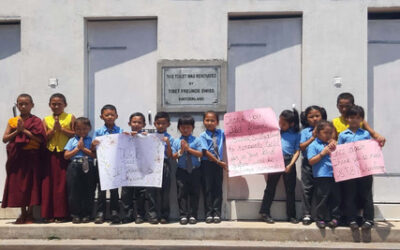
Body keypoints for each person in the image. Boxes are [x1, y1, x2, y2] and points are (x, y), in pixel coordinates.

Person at [1, 94, 46, 224]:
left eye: (26, 103)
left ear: (32, 105)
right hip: (17, 158)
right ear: (17, 105)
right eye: (21, 104)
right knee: (19, 185)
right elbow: (5, 139)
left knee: (31, 184)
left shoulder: (36, 121)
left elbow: (40, 139)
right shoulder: (13, 121)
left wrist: (24, 131)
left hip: (31, 156)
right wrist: (17, 131)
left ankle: (31, 214)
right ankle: (23, 213)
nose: (23, 106)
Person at [337, 105, 377, 230]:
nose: (354, 120)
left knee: (366, 195)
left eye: (358, 117)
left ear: (361, 119)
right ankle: (352, 219)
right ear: (347, 119)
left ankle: (369, 219)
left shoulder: (365, 134)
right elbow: (340, 152)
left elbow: (369, 150)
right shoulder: (343, 135)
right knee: (350, 195)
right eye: (351, 117)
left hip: (364, 170)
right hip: (349, 171)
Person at [259, 108, 300, 224]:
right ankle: (264, 212)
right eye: (279, 122)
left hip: (289, 161)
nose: (281, 125)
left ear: (291, 124)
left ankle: (291, 215)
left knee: (290, 190)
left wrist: (291, 165)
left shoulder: (296, 135)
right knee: (270, 188)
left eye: (284, 124)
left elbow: (297, 151)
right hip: (275, 161)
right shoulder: (274, 132)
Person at [41, 93, 75, 222]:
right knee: (49, 184)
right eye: (53, 104)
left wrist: (61, 129)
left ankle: (62, 214)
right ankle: (48, 214)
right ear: (49, 105)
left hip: (64, 154)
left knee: (63, 184)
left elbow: (75, 134)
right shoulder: (46, 119)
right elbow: (43, 137)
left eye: (59, 104)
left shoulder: (70, 117)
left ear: (65, 105)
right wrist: (53, 130)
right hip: (50, 154)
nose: (56, 106)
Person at [91, 104, 123, 224]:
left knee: (114, 189)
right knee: (102, 188)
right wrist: (93, 144)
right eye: (107, 115)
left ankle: (115, 212)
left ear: (116, 116)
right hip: (102, 164)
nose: (109, 117)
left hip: (115, 163)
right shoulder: (98, 132)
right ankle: (100, 213)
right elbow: (93, 149)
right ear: (101, 117)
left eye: (112, 115)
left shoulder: (120, 131)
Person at [172, 115, 204, 225]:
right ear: (179, 128)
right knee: (181, 193)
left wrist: (188, 149)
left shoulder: (197, 140)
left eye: (188, 127)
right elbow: (174, 156)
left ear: (193, 128)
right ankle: (183, 215)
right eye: (183, 127)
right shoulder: (176, 141)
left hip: (195, 170)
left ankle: (193, 215)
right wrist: (181, 149)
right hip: (182, 170)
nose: (185, 130)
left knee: (195, 193)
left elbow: (200, 153)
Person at [307, 120, 339, 229]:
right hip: (322, 175)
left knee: (335, 196)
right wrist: (322, 154)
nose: (328, 135)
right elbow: (311, 161)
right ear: (319, 132)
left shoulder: (333, 144)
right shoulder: (313, 145)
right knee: (322, 197)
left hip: (335, 174)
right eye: (326, 133)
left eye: (330, 133)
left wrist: (336, 146)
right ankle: (320, 218)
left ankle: (334, 218)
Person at [64, 117, 97, 224]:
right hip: (75, 166)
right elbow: (66, 156)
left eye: (84, 129)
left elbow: (94, 155)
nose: (81, 131)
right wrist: (77, 149)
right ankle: (76, 215)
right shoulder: (72, 140)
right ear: (74, 129)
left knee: (88, 190)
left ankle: (87, 214)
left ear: (89, 129)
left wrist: (83, 149)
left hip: (88, 164)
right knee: (74, 191)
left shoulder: (92, 140)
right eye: (78, 129)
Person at [299, 106, 327, 225]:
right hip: (308, 164)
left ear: (322, 116)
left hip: (323, 163)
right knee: (307, 188)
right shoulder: (305, 132)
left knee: (322, 190)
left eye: (317, 116)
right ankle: (306, 214)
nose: (315, 119)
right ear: (306, 119)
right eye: (311, 117)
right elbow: (302, 147)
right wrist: (313, 137)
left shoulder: (327, 129)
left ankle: (321, 215)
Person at [120, 112, 149, 224]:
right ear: (129, 123)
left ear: (144, 124)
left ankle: (140, 215)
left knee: (141, 193)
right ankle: (127, 215)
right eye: (134, 122)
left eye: (139, 122)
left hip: (141, 169)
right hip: (127, 168)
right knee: (126, 193)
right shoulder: (124, 136)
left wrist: (147, 138)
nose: (136, 124)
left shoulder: (147, 137)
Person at [199, 111, 227, 224]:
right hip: (207, 164)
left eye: (212, 120)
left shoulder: (221, 133)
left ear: (217, 122)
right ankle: (208, 213)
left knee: (218, 189)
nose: (209, 122)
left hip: (218, 165)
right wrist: (218, 162)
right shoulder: (202, 136)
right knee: (208, 189)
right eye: (207, 120)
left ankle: (217, 213)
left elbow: (235, 135)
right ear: (204, 122)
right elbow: (205, 152)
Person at [147, 111, 174, 224]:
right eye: (158, 123)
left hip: (165, 164)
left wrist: (167, 144)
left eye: (163, 123)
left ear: (168, 124)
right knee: (151, 191)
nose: (161, 126)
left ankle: (164, 215)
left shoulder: (170, 138)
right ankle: (152, 215)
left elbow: (171, 155)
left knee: (165, 191)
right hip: (151, 165)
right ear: (154, 124)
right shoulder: (150, 136)